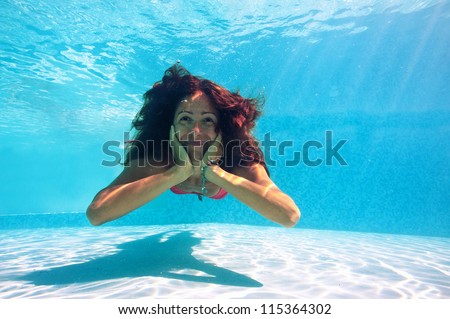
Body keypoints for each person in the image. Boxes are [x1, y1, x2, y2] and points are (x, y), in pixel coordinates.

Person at [86, 63, 300, 227]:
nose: (195, 131)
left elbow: (289, 216)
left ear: (221, 127)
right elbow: (96, 214)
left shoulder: (237, 160)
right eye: (185, 119)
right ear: (170, 125)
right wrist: (176, 174)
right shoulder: (159, 159)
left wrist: (216, 173)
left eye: (207, 120)